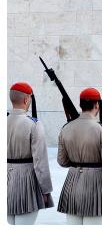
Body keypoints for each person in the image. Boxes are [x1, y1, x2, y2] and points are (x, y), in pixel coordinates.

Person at [57, 88, 102, 224]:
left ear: (80, 105)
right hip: (96, 187)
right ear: (97, 105)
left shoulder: (66, 128)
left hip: (72, 185)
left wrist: (77, 162)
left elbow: (62, 161)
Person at [7, 82, 53, 225]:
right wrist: (46, 190)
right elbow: (40, 162)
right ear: (26, 100)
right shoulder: (33, 124)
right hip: (26, 182)